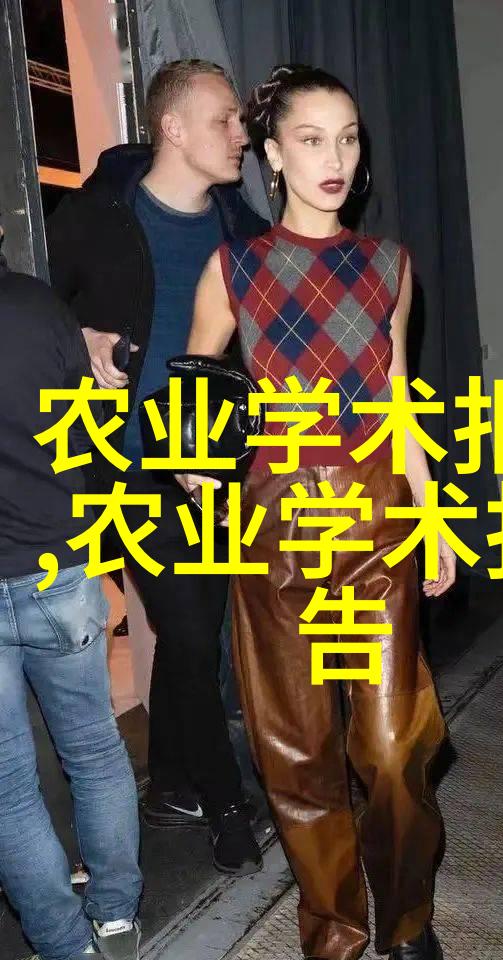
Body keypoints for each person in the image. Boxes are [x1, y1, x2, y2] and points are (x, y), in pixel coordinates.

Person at [185, 64, 452, 960]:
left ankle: (407, 921)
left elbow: (397, 399)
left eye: (347, 138)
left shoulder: (389, 266)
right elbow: (197, 381)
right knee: (296, 752)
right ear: (271, 154)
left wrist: (431, 514)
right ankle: (332, 929)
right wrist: (195, 463)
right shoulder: (235, 270)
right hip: (277, 533)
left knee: (392, 745)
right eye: (310, 139)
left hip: (377, 522)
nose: (334, 158)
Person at [46, 60, 269, 873]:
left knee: (193, 631)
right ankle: (226, 806)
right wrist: (81, 339)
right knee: (188, 627)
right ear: (172, 128)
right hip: (128, 469)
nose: (241, 135)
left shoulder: (241, 229)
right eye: (224, 120)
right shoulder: (97, 217)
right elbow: (34, 307)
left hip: (211, 467)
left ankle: (173, 783)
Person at [0, 231, 142, 960]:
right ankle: (116, 920)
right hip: (61, 566)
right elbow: (88, 429)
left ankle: (67, 959)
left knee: (7, 783)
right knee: (94, 750)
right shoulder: (41, 307)